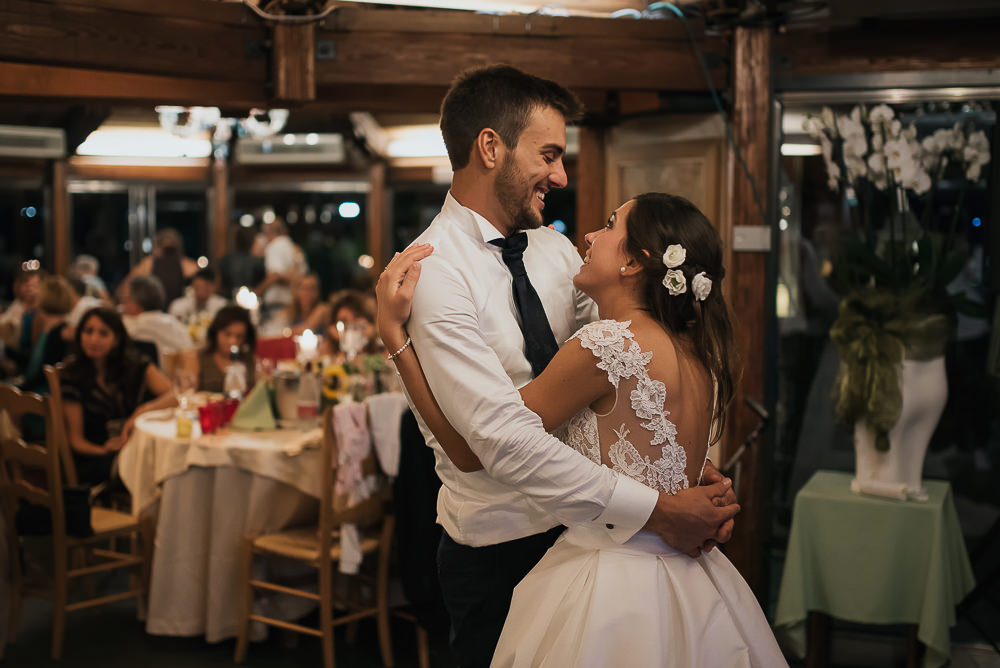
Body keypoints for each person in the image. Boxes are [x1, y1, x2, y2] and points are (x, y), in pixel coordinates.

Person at [374, 65, 738, 667]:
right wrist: (660, 508)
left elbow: (631, 363)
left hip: (594, 535)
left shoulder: (553, 248)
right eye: (549, 154)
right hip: (503, 546)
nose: (561, 176)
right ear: (490, 147)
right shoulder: (435, 273)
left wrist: (678, 466)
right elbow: (496, 445)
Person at [60, 307, 175, 488]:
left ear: (116, 340)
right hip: (95, 458)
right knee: (157, 469)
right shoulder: (71, 375)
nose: (93, 339)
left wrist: (141, 411)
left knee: (170, 462)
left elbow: (174, 395)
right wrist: (104, 450)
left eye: (103, 333)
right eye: (88, 331)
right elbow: (76, 442)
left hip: (134, 449)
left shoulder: (133, 364)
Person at [121, 275, 196, 378]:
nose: (122, 307)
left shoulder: (127, 324)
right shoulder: (178, 326)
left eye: (125, 300)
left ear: (136, 304)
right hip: (176, 387)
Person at [19, 275, 75, 394]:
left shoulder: (60, 334)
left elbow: (42, 374)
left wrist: (21, 390)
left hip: (45, 396)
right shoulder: (54, 329)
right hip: (39, 389)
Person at [256, 217, 307, 332]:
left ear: (267, 233)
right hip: (294, 303)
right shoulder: (294, 247)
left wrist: (256, 292)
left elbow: (275, 274)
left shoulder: (275, 246)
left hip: (278, 304)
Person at [125, 228, 200, 306]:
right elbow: (127, 287)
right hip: (155, 308)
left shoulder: (185, 264)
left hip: (177, 308)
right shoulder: (149, 263)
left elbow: (201, 279)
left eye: (170, 249)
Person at [195, 305, 257, 393]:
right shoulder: (200, 358)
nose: (232, 341)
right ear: (216, 332)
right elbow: (190, 392)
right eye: (227, 334)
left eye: (239, 336)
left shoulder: (249, 360)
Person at [168, 267, 228, 346]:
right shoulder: (178, 305)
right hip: (184, 345)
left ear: (212, 287)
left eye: (204, 287)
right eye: (197, 287)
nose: (199, 291)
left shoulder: (222, 306)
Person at [320, 288, 377, 360]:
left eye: (356, 317)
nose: (351, 325)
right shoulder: (327, 353)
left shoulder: (380, 347)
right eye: (344, 321)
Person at [218, 225, 265, 299]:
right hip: (251, 299)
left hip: (231, 299)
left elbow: (220, 286)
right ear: (252, 240)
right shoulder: (258, 262)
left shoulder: (224, 260)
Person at [283, 272, 330, 337]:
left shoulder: (322, 309)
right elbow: (277, 328)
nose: (308, 293)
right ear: (296, 291)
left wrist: (287, 332)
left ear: (318, 291)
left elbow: (306, 329)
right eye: (304, 288)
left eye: (312, 288)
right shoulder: (290, 311)